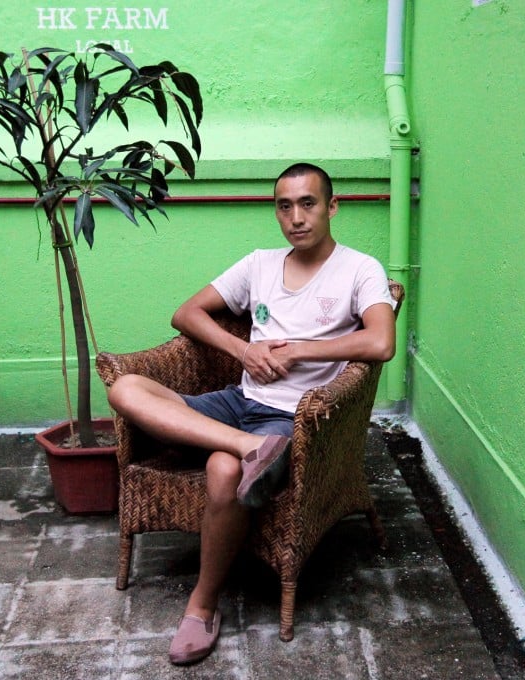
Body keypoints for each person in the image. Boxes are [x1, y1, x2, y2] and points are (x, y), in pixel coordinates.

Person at [106, 162, 397, 665]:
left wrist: (299, 351)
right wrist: (244, 353)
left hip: (293, 420)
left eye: (308, 204)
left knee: (221, 470)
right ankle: (249, 450)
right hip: (237, 405)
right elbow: (187, 314)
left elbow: (381, 341)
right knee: (125, 387)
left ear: (332, 207)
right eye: (284, 206)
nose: (296, 217)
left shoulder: (359, 269)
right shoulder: (259, 264)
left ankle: (201, 606)